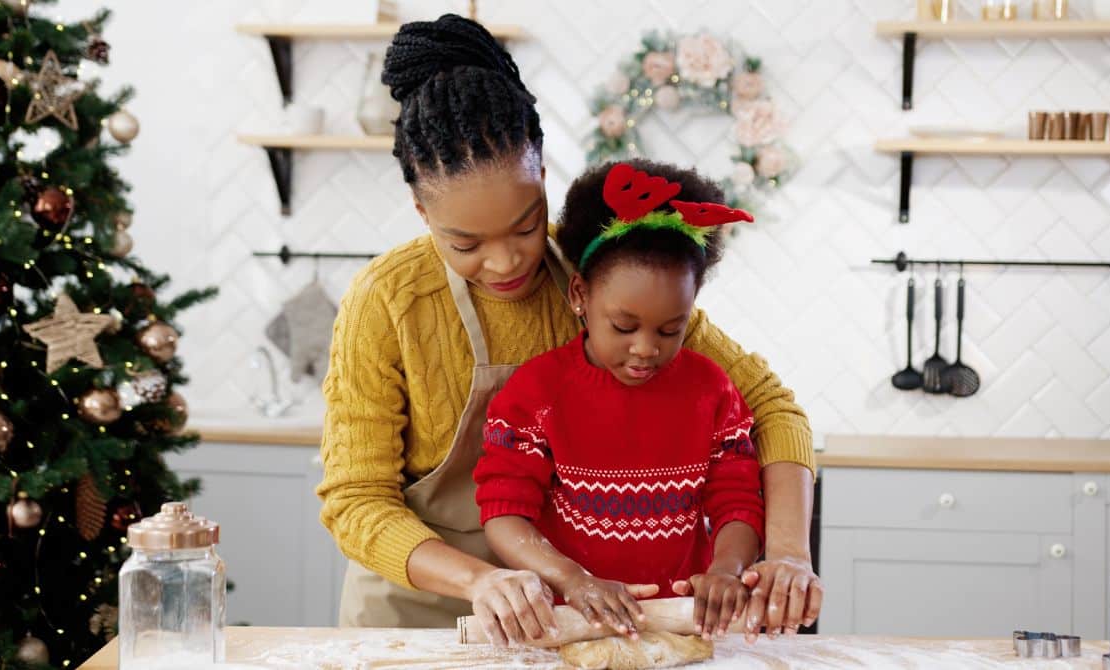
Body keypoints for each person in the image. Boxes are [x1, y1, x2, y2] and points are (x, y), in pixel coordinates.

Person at [315, 13, 820, 648]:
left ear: (544, 178)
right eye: (464, 243)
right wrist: (482, 580)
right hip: (413, 610)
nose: (505, 262)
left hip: (565, 614)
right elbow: (356, 499)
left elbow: (772, 407)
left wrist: (789, 555)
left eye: (526, 227)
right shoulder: (386, 301)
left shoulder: (598, 278)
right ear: (422, 211)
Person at [476, 161, 766, 643]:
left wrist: (727, 569)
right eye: (624, 327)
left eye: (671, 329)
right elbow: (505, 514)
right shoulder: (536, 394)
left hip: (681, 627)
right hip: (568, 627)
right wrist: (573, 580)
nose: (646, 348)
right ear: (579, 296)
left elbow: (737, 500)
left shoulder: (712, 389)